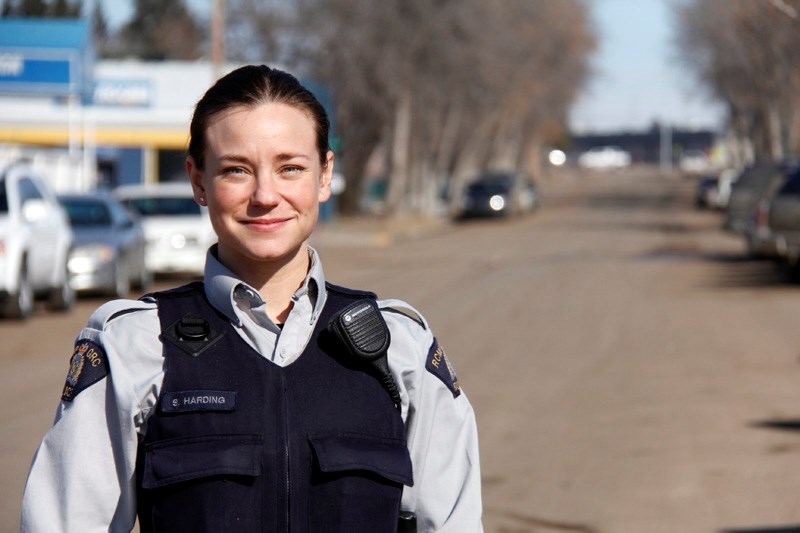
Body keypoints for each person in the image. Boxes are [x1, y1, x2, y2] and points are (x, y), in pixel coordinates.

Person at [20, 64, 482, 532]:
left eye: (291, 168)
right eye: (236, 170)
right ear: (199, 181)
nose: (265, 195)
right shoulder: (133, 346)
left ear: (325, 176)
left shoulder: (400, 350)